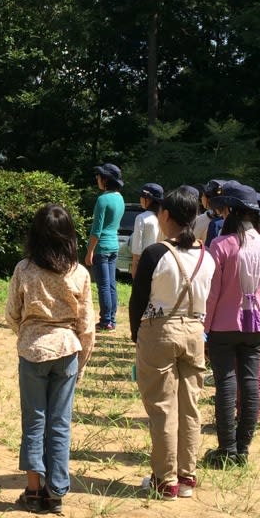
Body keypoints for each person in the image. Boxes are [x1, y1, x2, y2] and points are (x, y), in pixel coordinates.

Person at [5, 204, 94, 515]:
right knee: (60, 423)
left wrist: (28, 333)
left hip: (32, 350)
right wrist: (81, 361)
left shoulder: (24, 269)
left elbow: (12, 313)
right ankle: (55, 492)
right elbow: (87, 325)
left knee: (34, 422)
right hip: (68, 349)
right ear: (69, 236)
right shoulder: (79, 272)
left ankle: (32, 491)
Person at [129, 185, 215, 499]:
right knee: (190, 407)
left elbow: (138, 299)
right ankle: (187, 476)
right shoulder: (207, 255)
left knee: (162, 407)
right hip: (195, 331)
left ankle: (165, 479)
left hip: (160, 329)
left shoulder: (156, 253)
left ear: (166, 215)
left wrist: (135, 334)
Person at [204, 182, 260, 469]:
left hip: (223, 324)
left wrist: (205, 329)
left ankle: (227, 449)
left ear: (231, 212)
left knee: (225, 384)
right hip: (256, 323)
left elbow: (212, 294)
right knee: (249, 384)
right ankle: (243, 449)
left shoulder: (221, 245)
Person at [84, 163, 124, 332]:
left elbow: (96, 229)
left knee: (103, 286)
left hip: (101, 247)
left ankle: (105, 320)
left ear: (105, 180)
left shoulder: (103, 199)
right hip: (114, 245)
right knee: (111, 284)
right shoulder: (119, 198)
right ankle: (111, 319)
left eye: (99, 176)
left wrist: (90, 251)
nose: (97, 179)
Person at [129, 183, 164, 275]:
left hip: (145, 261)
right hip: (161, 260)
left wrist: (134, 265)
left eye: (141, 196)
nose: (140, 199)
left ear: (147, 199)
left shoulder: (141, 218)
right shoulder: (163, 217)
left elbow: (137, 244)